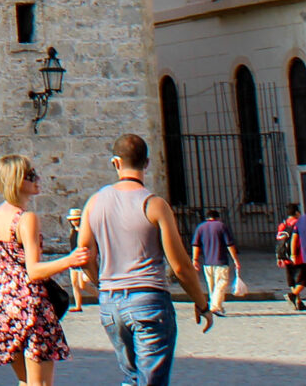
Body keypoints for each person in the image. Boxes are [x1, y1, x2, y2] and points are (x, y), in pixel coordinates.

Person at [71, 134, 210, 386]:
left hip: (111, 303)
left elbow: (84, 255)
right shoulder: (155, 205)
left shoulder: (94, 203)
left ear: (115, 163)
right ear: (146, 163)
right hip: (148, 298)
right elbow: (180, 266)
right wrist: (202, 303)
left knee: (131, 377)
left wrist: (101, 283)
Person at [0, 154, 81, 385]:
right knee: (41, 384)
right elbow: (34, 271)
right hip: (30, 307)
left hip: (0, 304)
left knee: (25, 381)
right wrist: (70, 259)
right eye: (31, 175)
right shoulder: (26, 219)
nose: (38, 178)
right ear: (16, 181)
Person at [191, 209, 234, 315]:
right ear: (218, 217)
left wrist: (195, 259)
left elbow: (196, 245)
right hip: (221, 261)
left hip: (207, 262)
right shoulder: (221, 226)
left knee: (212, 287)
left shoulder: (200, 227)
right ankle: (215, 307)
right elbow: (230, 245)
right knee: (221, 284)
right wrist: (235, 260)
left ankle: (216, 305)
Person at [273, 206, 302, 311]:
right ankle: (293, 296)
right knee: (303, 279)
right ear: (297, 212)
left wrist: (279, 256)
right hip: (298, 255)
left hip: (285, 255)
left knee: (291, 279)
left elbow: (279, 241)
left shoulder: (283, 225)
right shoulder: (298, 223)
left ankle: (298, 301)